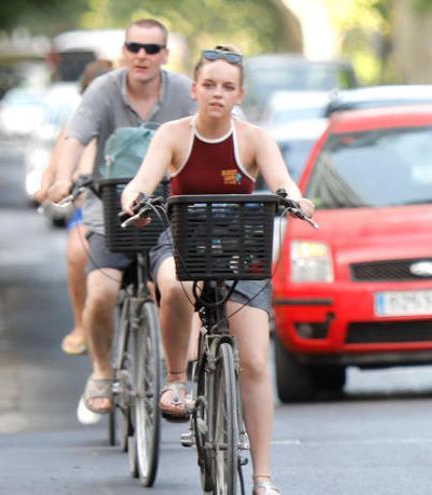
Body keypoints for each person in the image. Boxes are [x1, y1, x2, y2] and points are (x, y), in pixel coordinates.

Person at [121, 44, 314, 495]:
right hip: (182, 232)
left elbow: (283, 181)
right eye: (209, 85)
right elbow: (144, 179)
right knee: (173, 285)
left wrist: (295, 198)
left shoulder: (254, 138)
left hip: (240, 240)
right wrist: (135, 196)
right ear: (193, 89)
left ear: (240, 93)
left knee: (254, 361)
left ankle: (263, 477)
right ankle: (175, 381)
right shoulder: (172, 135)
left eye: (228, 87)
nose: (217, 94)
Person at [47, 19, 196, 416]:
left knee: (179, 286)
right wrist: (63, 178)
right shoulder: (103, 90)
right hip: (111, 210)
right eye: (135, 47)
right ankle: (101, 369)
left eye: (151, 49)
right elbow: (75, 138)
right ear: (124, 52)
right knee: (101, 294)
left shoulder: (184, 91)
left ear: (164, 55)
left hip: (169, 208)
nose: (142, 56)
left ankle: (177, 374)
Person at [37, 59, 114, 355]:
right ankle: (81, 324)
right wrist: (49, 185)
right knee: (76, 252)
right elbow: (55, 166)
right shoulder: (77, 127)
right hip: (91, 209)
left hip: (132, 210)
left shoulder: (134, 121)